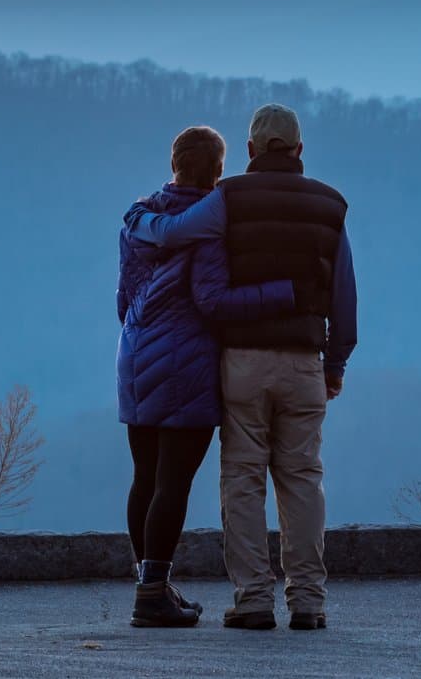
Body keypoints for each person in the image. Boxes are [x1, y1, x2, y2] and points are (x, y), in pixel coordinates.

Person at [126, 103, 357, 632]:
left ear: (250, 151)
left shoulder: (227, 198)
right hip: (304, 361)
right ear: (300, 149)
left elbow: (173, 232)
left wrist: (138, 216)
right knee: (302, 478)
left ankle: (253, 599)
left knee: (242, 478)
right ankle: (308, 602)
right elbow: (345, 297)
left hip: (243, 363)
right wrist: (336, 363)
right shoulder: (330, 206)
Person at [116, 125, 300, 628]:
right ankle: (152, 595)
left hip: (133, 355)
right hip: (186, 363)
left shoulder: (138, 218)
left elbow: (121, 298)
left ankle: (150, 586)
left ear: (173, 162)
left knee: (145, 477)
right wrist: (284, 293)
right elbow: (212, 300)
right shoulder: (211, 226)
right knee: (173, 483)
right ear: (219, 170)